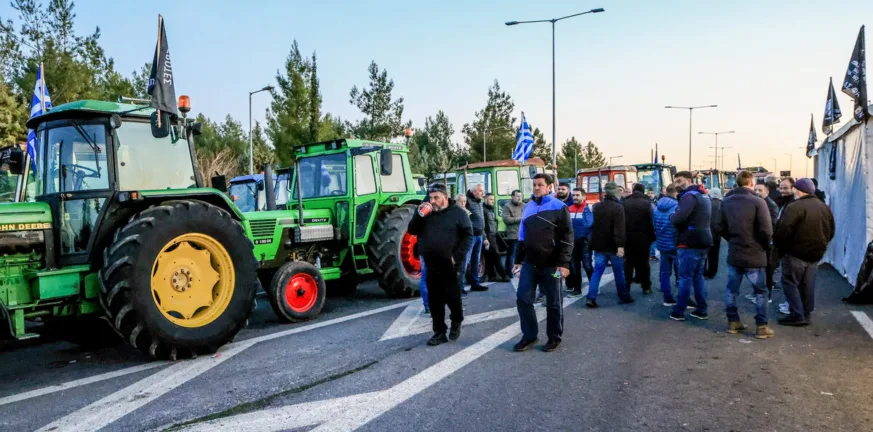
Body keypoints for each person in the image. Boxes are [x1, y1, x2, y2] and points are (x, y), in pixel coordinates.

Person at [512, 174, 573, 352]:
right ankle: (530, 336)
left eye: (540, 185)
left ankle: (554, 337)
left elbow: (567, 237)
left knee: (554, 301)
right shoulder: (528, 207)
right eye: (534, 185)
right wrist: (518, 261)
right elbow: (522, 237)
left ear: (549, 187)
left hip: (552, 265)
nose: (536, 188)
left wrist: (564, 263)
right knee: (523, 299)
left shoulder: (559, 207)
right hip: (530, 264)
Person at [407, 184, 474, 346]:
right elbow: (412, 230)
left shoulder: (458, 213)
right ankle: (439, 332)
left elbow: (468, 236)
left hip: (450, 263)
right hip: (431, 262)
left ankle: (456, 321)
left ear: (445, 196)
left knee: (452, 297)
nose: (433, 201)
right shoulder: (426, 213)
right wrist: (419, 215)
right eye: (431, 198)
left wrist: (456, 257)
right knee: (434, 299)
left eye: (436, 197)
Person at [717, 171, 775, 339]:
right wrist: (763, 246)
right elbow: (766, 230)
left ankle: (733, 321)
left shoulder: (726, 202)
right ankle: (761, 326)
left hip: (735, 252)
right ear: (751, 182)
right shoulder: (758, 202)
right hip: (755, 254)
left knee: (732, 290)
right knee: (761, 292)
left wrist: (732, 239)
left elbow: (719, 226)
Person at [774, 178, 835, 326]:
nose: (793, 191)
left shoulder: (795, 206)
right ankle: (806, 312)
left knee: (790, 282)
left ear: (799, 190)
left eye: (794, 188)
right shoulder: (823, 207)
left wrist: (780, 249)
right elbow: (831, 230)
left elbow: (783, 230)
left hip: (795, 253)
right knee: (808, 284)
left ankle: (796, 314)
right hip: (815, 254)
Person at [669, 171, 713, 321]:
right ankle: (702, 309)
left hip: (689, 242)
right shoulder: (703, 195)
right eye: (675, 182)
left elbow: (678, 218)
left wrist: (672, 216)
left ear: (688, 180)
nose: (677, 185)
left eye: (680, 181)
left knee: (685, 277)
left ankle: (679, 311)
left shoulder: (689, 197)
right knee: (698, 277)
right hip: (703, 240)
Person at [587, 182, 631, 308]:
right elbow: (619, 228)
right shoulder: (618, 207)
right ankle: (624, 296)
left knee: (597, 272)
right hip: (613, 245)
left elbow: (593, 226)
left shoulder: (597, 207)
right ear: (615, 191)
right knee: (619, 272)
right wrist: (620, 245)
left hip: (599, 244)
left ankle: (591, 297)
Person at [623, 183, 656, 295]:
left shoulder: (625, 202)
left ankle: (626, 288)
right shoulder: (647, 203)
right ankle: (646, 287)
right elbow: (653, 220)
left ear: (633, 190)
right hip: (644, 238)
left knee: (628, 263)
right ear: (643, 191)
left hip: (628, 238)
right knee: (644, 263)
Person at [653, 185, 680, 306]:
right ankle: (683, 298)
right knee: (682, 273)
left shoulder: (657, 207)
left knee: (664, 273)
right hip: (675, 244)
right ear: (676, 193)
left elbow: (654, 225)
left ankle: (667, 298)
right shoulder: (677, 207)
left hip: (662, 243)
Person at [566, 187, 594, 297]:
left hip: (585, 243)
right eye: (573, 195)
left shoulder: (589, 208)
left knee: (587, 266)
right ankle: (577, 289)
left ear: (584, 196)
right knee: (574, 267)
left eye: (577, 195)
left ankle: (593, 287)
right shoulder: (569, 209)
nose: (575, 197)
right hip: (573, 243)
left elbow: (590, 224)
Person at [754, 183, 779, 299]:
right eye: (755, 190)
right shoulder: (758, 203)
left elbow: (772, 225)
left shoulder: (770, 205)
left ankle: (767, 295)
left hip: (768, 242)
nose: (757, 192)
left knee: (767, 269)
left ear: (767, 192)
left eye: (760, 190)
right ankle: (758, 292)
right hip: (759, 242)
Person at [464, 184, 487, 291]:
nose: (483, 193)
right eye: (481, 191)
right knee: (466, 261)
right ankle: (460, 286)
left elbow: (481, 221)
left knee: (476, 261)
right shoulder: (467, 201)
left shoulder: (479, 203)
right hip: (471, 236)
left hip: (479, 236)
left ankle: (475, 283)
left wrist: (484, 236)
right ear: (474, 192)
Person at [483, 193, 509, 282]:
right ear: (485, 199)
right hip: (489, 236)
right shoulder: (483, 210)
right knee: (496, 255)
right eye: (491, 199)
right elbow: (483, 225)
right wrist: (485, 237)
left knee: (490, 257)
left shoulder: (491, 210)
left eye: (493, 200)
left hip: (494, 235)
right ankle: (503, 275)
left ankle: (492, 276)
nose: (493, 201)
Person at [502, 190, 524, 277]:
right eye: (517, 196)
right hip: (513, 234)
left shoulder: (524, 205)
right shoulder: (507, 206)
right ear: (512, 197)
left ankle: (520, 271)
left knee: (522, 254)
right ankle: (509, 272)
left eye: (520, 196)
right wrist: (520, 218)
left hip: (523, 234)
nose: (519, 198)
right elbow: (506, 219)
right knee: (512, 254)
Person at [704, 188, 724, 279]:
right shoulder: (723, 204)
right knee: (714, 255)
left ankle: (703, 272)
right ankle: (712, 272)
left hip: (706, 232)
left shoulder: (706, 204)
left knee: (704, 254)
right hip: (717, 234)